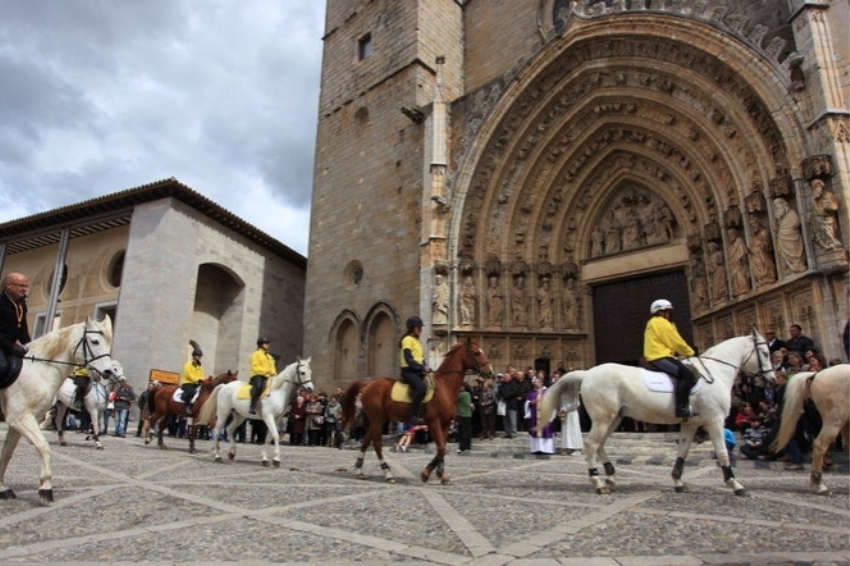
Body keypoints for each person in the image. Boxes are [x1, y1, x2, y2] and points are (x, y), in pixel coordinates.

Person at [643, 299, 698, 418]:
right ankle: (681, 408)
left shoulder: (654, 322)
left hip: (660, 355)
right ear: (661, 312)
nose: (669, 314)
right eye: (668, 311)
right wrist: (690, 352)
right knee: (688, 375)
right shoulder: (660, 322)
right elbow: (676, 341)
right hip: (659, 356)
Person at [399, 316, 430, 425]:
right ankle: (413, 415)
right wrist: (421, 367)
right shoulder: (407, 339)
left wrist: (426, 366)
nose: (420, 330)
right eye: (418, 327)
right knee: (421, 388)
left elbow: (421, 358)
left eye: (421, 328)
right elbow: (408, 358)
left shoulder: (418, 341)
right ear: (412, 328)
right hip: (408, 370)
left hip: (418, 370)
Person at [0, 272, 31, 382]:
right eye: (21, 286)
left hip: (9, 347)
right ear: (9, 285)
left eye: (26, 286)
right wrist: (12, 347)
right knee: (2, 366)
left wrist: (31, 347)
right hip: (4, 345)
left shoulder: (22, 305)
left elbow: (23, 331)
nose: (24, 289)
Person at [250, 337, 277, 414]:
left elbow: (273, 367)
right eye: (266, 343)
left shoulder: (269, 356)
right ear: (261, 344)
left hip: (269, 376)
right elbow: (255, 367)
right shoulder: (256, 354)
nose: (268, 345)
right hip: (258, 375)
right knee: (258, 387)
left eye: (268, 344)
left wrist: (274, 373)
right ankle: (252, 406)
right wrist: (266, 372)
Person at [179, 345, 204, 415]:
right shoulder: (188, 364)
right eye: (198, 356)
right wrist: (197, 380)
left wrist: (202, 380)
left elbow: (202, 374)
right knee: (191, 392)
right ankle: (186, 406)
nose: (200, 357)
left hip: (197, 383)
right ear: (194, 356)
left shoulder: (200, 366)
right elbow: (188, 374)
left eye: (200, 356)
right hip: (187, 383)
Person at [456, 383, 473, 453]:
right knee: (467, 431)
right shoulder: (468, 394)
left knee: (462, 431)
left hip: (462, 414)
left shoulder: (462, 394)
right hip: (468, 414)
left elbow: (454, 397)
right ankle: (468, 445)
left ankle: (462, 446)